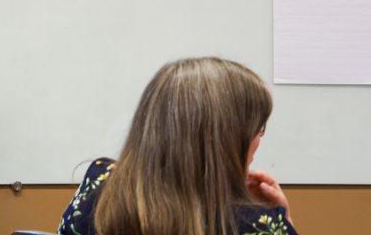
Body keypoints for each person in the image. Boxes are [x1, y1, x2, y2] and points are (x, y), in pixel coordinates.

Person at [58, 57, 298, 235]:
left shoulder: (99, 184)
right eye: (257, 126)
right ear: (224, 140)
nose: (260, 136)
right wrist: (284, 219)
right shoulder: (256, 224)